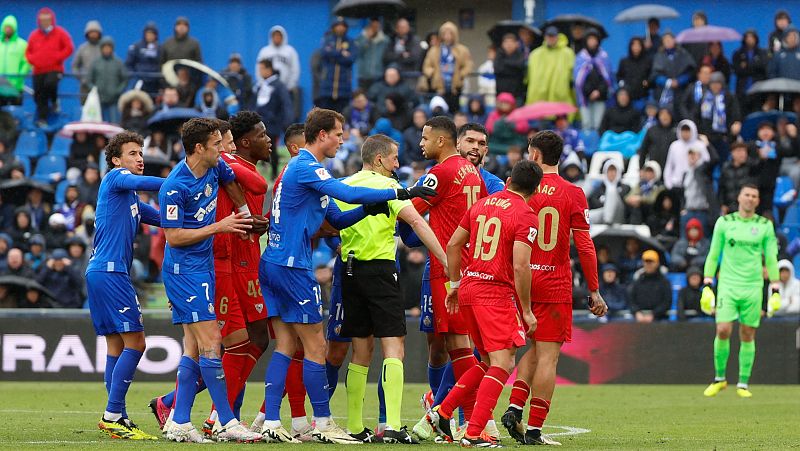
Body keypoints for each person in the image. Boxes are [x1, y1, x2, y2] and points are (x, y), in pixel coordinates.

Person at [259, 108, 434, 444]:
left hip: (274, 261)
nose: (343, 140)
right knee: (316, 346)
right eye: (339, 134)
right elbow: (349, 194)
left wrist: (368, 209)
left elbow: (339, 218)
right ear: (322, 135)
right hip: (293, 265)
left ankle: (270, 420)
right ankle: (322, 423)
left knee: (285, 344)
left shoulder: (301, 169)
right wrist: (400, 192)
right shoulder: (309, 166)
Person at [157, 118, 260, 443]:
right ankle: (226, 421)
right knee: (212, 342)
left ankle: (179, 420)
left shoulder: (216, 168)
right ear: (199, 148)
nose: (223, 149)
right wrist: (220, 226)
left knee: (193, 347)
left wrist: (243, 213)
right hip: (184, 272)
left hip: (203, 268)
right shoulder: (174, 186)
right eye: (217, 144)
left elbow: (232, 182)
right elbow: (173, 237)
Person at [338, 135, 446, 444]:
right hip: (381, 271)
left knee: (360, 351)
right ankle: (393, 426)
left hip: (349, 271)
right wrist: (445, 259)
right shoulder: (388, 187)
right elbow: (418, 223)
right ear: (379, 159)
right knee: (394, 347)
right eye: (394, 157)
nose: (397, 163)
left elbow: (331, 225)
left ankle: (355, 427)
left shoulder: (344, 186)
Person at [501, 131, 606, 446]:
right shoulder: (573, 193)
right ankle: (534, 430)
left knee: (532, 350)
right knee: (548, 356)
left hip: (521, 280)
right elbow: (584, 245)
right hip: (554, 282)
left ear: (534, 155)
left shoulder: (519, 188)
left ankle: (514, 407)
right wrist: (594, 289)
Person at [429, 160, 542, 448]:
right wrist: (527, 311)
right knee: (504, 362)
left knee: (487, 361)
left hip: (469, 287)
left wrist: (455, 284)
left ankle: (442, 411)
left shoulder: (481, 204)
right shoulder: (526, 215)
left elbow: (453, 244)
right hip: (494, 292)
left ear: (508, 180)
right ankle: (474, 432)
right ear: (535, 191)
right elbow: (521, 266)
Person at [86, 131, 164, 440]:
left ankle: (118, 415)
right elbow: (149, 184)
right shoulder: (116, 178)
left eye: (140, 153)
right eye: (132, 153)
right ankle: (112, 415)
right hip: (110, 273)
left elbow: (165, 219)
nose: (140, 158)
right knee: (137, 343)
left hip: (101, 272)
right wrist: (183, 182)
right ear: (117, 160)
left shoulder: (130, 199)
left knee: (116, 346)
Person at [701, 184, 780, 398]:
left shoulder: (764, 225)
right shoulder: (725, 222)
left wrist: (775, 289)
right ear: (739, 197)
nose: (750, 198)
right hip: (728, 284)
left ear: (758, 201)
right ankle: (719, 379)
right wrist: (707, 285)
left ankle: (743, 383)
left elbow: (771, 258)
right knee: (723, 329)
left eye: (754, 196)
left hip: (753, 286)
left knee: (747, 333)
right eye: (747, 195)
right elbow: (713, 254)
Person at [25, 7, 74, 125]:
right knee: (38, 95)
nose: (45, 22)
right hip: (38, 70)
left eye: (47, 20)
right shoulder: (34, 35)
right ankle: (42, 119)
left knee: (50, 84)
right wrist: (34, 60)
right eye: (42, 20)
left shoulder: (60, 33)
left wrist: (58, 57)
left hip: (54, 69)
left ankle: (54, 101)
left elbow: (69, 48)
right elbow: (28, 52)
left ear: (52, 20)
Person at [421, 22, 473, 113]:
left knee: (455, 111)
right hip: (439, 87)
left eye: (450, 33)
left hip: (455, 87)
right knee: (439, 111)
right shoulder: (434, 50)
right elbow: (426, 66)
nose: (447, 36)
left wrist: (461, 74)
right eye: (445, 33)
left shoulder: (462, 50)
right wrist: (433, 73)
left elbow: (468, 64)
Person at [254, 59, 293, 179]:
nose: (260, 72)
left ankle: (274, 174)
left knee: (272, 148)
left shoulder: (279, 85)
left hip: (273, 123)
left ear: (269, 69)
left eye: (262, 69)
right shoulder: (260, 85)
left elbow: (286, 104)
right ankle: (262, 171)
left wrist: (286, 122)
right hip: (260, 122)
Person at [694, 71, 741, 161]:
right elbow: (697, 116)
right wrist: (701, 132)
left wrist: (735, 124)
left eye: (717, 84)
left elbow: (735, 113)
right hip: (707, 137)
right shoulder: (704, 97)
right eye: (713, 84)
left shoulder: (729, 97)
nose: (715, 86)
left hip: (724, 136)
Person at [574, 28, 613, 132]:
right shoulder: (580, 57)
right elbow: (578, 80)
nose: (592, 42)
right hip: (585, 98)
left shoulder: (604, 57)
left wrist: (598, 91)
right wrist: (589, 92)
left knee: (598, 124)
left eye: (594, 39)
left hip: (600, 97)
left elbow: (607, 77)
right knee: (586, 124)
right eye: (590, 39)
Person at [526, 26, 575, 106]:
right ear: (545, 37)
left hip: (560, 95)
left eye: (553, 36)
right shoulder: (536, 54)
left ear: (557, 37)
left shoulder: (567, 53)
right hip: (539, 96)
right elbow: (528, 76)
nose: (551, 38)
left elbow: (572, 74)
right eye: (549, 36)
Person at [316, 18, 356, 113]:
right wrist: (341, 53)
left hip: (344, 88)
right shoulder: (327, 40)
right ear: (334, 27)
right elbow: (324, 53)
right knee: (326, 115)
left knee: (342, 116)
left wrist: (333, 55)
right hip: (327, 88)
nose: (340, 28)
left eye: (342, 26)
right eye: (338, 26)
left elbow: (351, 59)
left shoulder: (351, 42)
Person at [650, 31, 695, 111]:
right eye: (665, 40)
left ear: (674, 40)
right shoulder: (658, 56)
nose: (667, 41)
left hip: (682, 90)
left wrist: (679, 81)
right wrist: (667, 82)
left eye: (669, 39)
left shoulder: (683, 53)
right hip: (664, 91)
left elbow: (690, 71)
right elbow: (655, 74)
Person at [89, 37, 129, 124]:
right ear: (101, 49)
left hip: (114, 100)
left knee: (115, 124)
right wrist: (95, 90)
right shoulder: (96, 63)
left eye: (109, 47)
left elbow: (125, 79)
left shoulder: (118, 63)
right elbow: (89, 80)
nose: (107, 50)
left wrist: (118, 91)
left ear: (112, 49)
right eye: (105, 47)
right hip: (98, 100)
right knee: (99, 124)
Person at [663, 120, 709, 190]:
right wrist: (668, 183)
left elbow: (707, 162)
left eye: (687, 131)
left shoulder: (700, 145)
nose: (685, 133)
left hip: (694, 185)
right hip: (676, 184)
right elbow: (669, 165)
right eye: (683, 131)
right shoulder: (674, 146)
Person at [628, 250, 671, 322]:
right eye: (646, 262)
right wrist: (637, 312)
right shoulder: (638, 280)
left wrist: (654, 314)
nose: (648, 264)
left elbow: (667, 302)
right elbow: (631, 299)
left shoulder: (664, 282)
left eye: (651, 262)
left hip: (659, 319)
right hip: (639, 318)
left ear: (657, 263)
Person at [732, 30, 768, 115]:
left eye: (752, 37)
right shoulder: (738, 53)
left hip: (758, 92)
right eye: (747, 37)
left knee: (757, 115)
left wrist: (747, 66)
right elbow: (737, 70)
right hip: (743, 91)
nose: (749, 39)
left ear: (756, 39)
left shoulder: (762, 53)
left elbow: (763, 67)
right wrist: (754, 66)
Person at [255, 25, 300, 92]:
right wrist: (263, 85)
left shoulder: (290, 51)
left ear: (283, 36)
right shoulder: (264, 51)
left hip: (286, 88)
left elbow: (295, 70)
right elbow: (259, 70)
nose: (277, 37)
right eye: (275, 35)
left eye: (279, 35)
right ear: (271, 37)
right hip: (267, 89)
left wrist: (290, 86)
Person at [719, 142, 757, 214]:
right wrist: (722, 204)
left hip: (747, 208)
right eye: (739, 151)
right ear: (732, 153)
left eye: (744, 151)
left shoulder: (752, 167)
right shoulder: (726, 168)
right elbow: (722, 188)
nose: (743, 154)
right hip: (730, 208)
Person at [0, 15, 30, 106]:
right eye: (6, 27)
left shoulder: (22, 44)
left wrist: (19, 77)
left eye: (10, 27)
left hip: (15, 86)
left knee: (15, 111)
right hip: (0, 85)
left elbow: (26, 63)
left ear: (14, 29)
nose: (8, 29)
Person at [588, 159, 629, 225]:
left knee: (611, 192)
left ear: (618, 172)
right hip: (602, 215)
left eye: (614, 170)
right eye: (609, 170)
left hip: (619, 216)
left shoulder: (625, 187)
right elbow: (593, 203)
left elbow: (625, 203)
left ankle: (607, 220)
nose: (611, 173)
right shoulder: (599, 188)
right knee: (587, 216)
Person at [125, 22, 161, 96]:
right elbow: (128, 64)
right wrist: (135, 76)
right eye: (148, 33)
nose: (150, 36)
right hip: (140, 80)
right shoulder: (136, 47)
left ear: (156, 35)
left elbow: (162, 64)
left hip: (155, 82)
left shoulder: (160, 48)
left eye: (152, 34)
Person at [616, 37, 652, 109]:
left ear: (642, 47)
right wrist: (623, 85)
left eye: (638, 45)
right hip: (627, 97)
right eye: (634, 45)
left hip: (642, 97)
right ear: (630, 47)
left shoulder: (648, 61)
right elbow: (619, 76)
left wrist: (646, 84)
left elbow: (650, 77)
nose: (636, 47)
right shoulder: (624, 61)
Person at [72, 20, 103, 100]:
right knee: (85, 105)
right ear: (87, 34)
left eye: (95, 32)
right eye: (91, 32)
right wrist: (82, 79)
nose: (93, 35)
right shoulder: (82, 49)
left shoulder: (104, 48)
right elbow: (75, 66)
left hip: (102, 85)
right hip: (85, 86)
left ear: (99, 34)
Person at [355, 18, 389, 91]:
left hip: (379, 74)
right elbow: (358, 52)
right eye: (373, 26)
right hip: (363, 75)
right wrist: (367, 39)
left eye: (376, 26)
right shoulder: (361, 38)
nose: (374, 29)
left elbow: (387, 56)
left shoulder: (385, 40)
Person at [493, 33, 527, 105]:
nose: (509, 44)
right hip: (501, 94)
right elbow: (498, 69)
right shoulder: (499, 54)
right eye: (506, 42)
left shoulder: (520, 54)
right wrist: (513, 67)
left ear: (516, 44)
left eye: (511, 42)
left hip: (517, 94)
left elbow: (520, 66)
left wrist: (505, 63)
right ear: (502, 44)